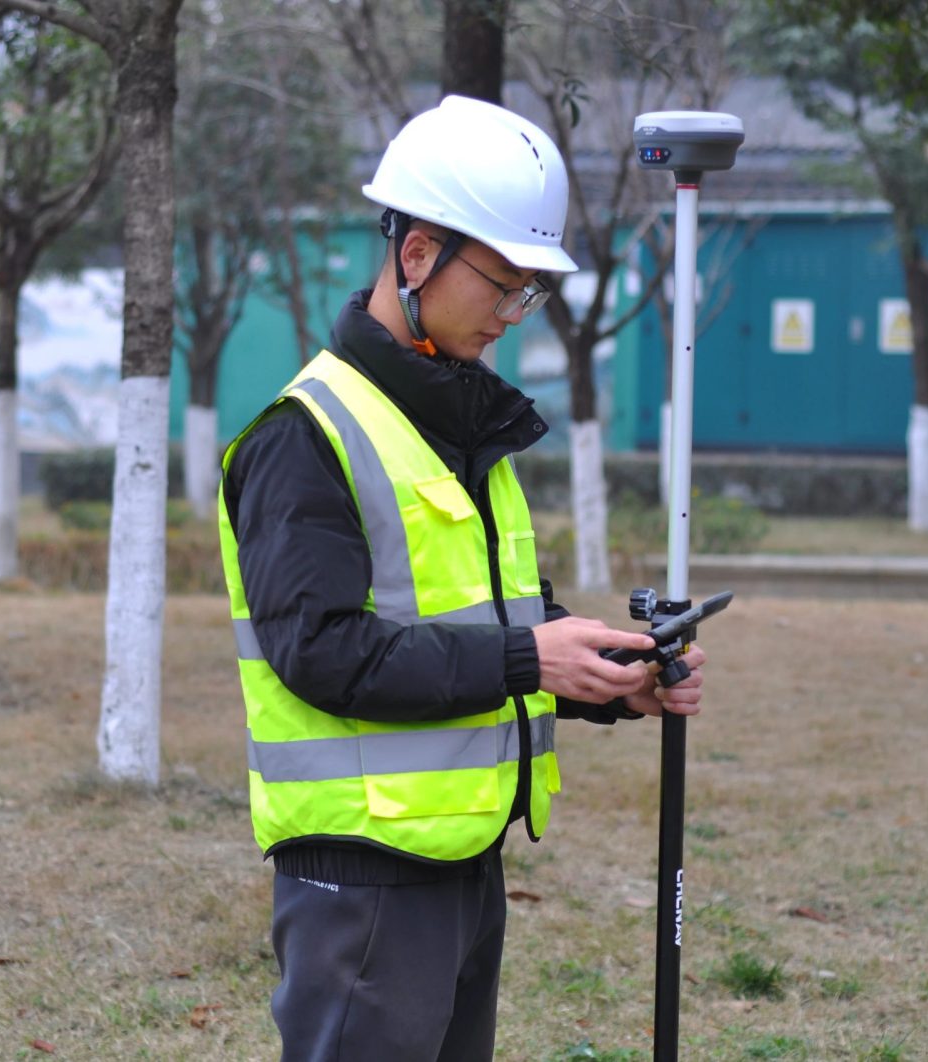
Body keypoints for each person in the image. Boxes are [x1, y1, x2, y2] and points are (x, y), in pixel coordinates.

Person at [216, 95, 709, 1062]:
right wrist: (532, 657)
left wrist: (610, 674)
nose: (513, 312)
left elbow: (488, 620)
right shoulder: (303, 436)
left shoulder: (456, 427)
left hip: (459, 857)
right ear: (416, 256)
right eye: (503, 284)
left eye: (530, 291)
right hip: (364, 877)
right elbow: (323, 654)